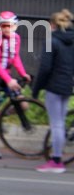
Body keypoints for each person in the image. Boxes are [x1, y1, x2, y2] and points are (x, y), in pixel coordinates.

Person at [0, 10, 31, 160]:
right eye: (3, 26)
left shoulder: (16, 38)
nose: (6, 29)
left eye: (9, 26)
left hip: (7, 77)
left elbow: (15, 57)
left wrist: (23, 73)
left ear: (15, 26)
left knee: (23, 104)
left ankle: (0, 117)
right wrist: (9, 80)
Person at [32, 9, 74, 173]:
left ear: (53, 25)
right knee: (60, 122)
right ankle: (58, 157)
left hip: (54, 86)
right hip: (66, 86)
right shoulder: (71, 41)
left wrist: (36, 89)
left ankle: (56, 161)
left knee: (56, 124)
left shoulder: (51, 41)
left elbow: (45, 68)